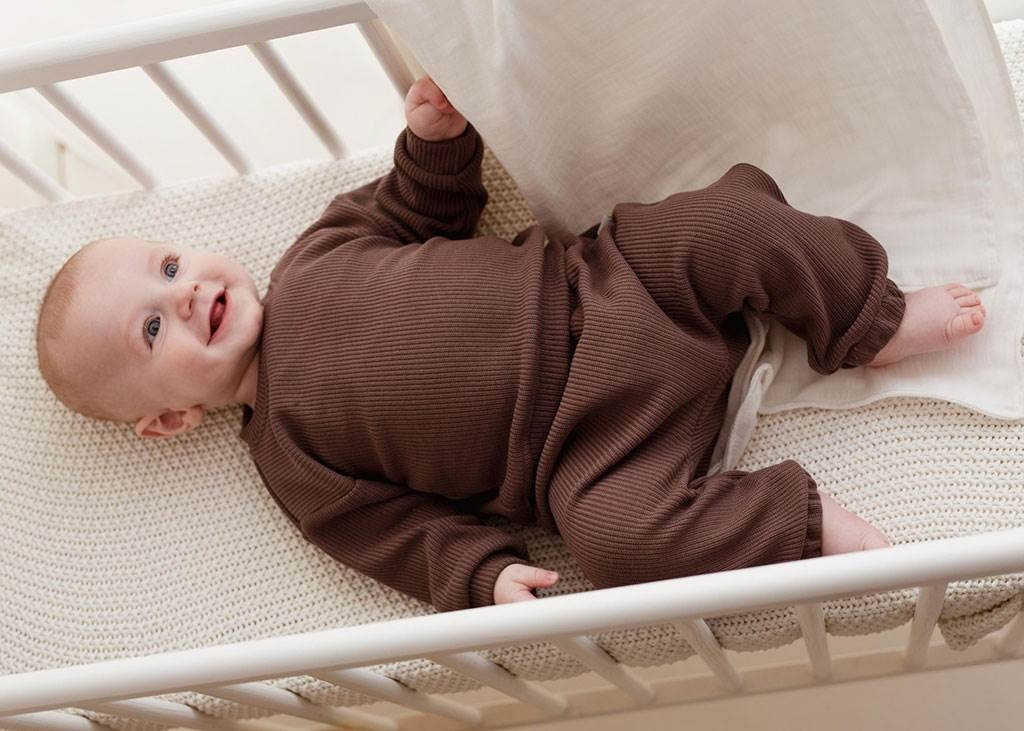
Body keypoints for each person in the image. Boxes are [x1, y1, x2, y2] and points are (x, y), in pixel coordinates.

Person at [35, 76, 987, 612]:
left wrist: (432, 140)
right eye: (152, 326)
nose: (184, 291)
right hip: (593, 449)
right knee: (615, 544)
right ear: (170, 417)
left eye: (168, 264)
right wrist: (480, 576)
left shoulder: (315, 255)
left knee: (724, 222)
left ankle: (865, 318)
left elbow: (420, 206)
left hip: (609, 286)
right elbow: (402, 539)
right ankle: (796, 524)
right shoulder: (294, 460)